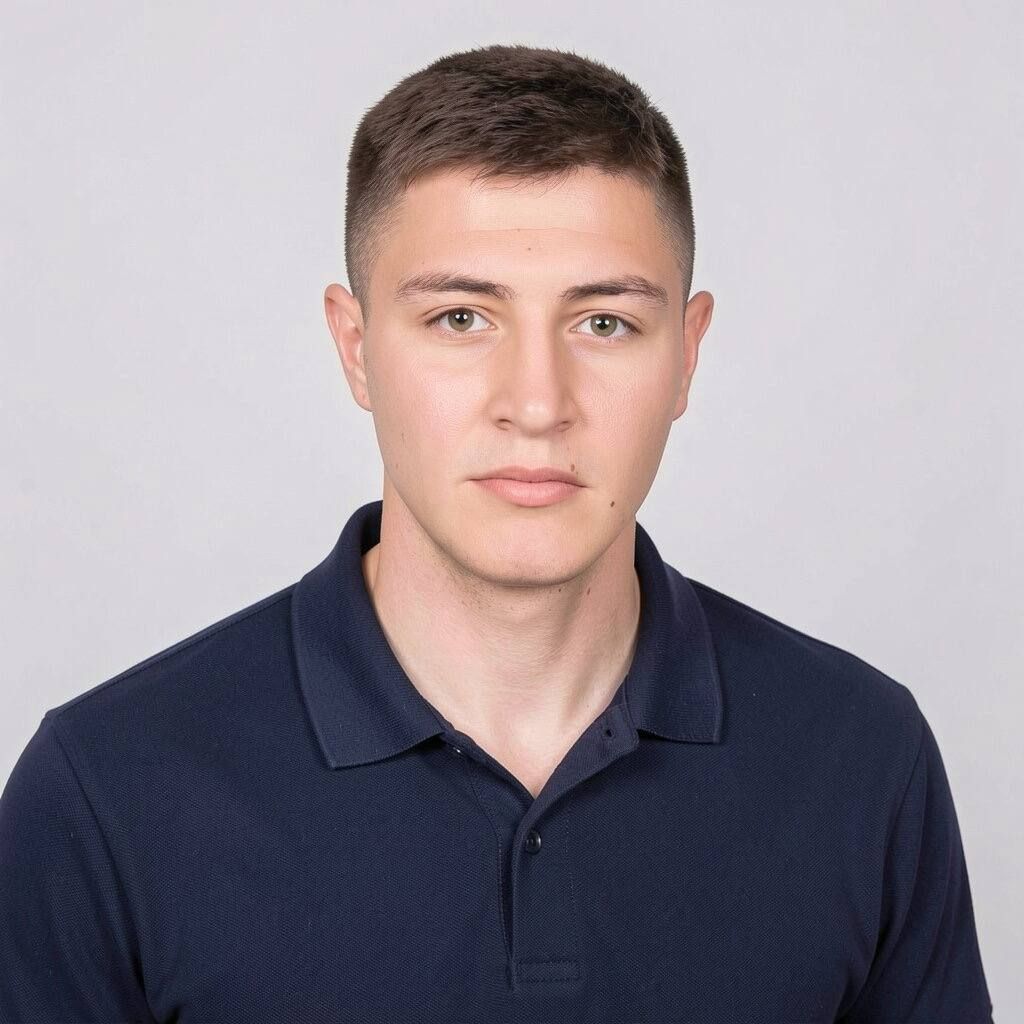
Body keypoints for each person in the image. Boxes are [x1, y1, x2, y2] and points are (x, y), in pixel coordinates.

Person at [0, 43, 994, 1023]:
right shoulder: (105, 792)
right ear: (356, 347)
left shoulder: (862, 756)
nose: (536, 403)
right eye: (460, 319)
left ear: (686, 356)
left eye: (603, 324)